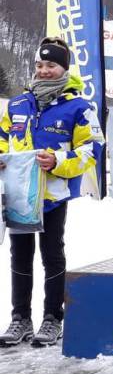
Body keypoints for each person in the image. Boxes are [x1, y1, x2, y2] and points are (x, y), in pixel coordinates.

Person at [0, 38, 104, 347]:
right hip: (20, 195)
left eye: (51, 65)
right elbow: (3, 138)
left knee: (52, 254)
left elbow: (91, 150)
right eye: (39, 65)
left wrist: (58, 161)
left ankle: (53, 318)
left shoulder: (80, 108)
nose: (44, 70)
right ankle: (20, 318)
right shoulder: (18, 104)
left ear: (64, 69)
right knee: (19, 255)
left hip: (53, 195)